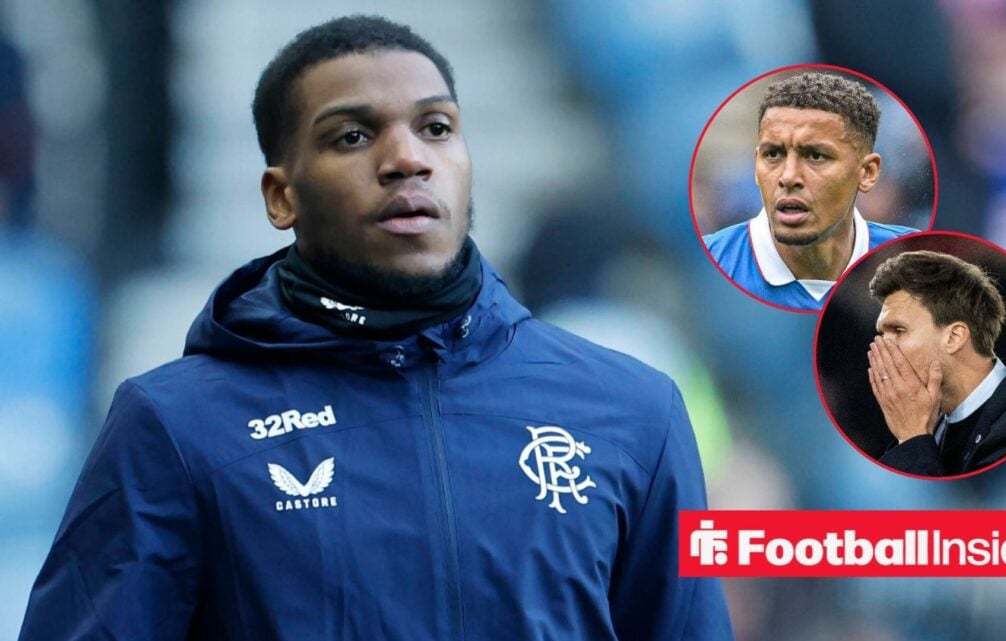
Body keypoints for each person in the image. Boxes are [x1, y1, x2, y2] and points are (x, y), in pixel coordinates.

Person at [18, 16, 731, 641]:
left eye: (436, 128)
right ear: (281, 196)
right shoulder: (177, 426)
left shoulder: (633, 411)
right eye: (353, 135)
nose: (407, 159)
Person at [703, 71, 918, 311]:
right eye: (773, 154)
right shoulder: (720, 250)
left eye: (816, 156)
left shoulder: (912, 251)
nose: (789, 176)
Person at [866, 250, 1006, 476]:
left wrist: (912, 438)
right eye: (881, 334)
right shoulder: (929, 421)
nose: (881, 347)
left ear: (954, 337)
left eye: (898, 330)